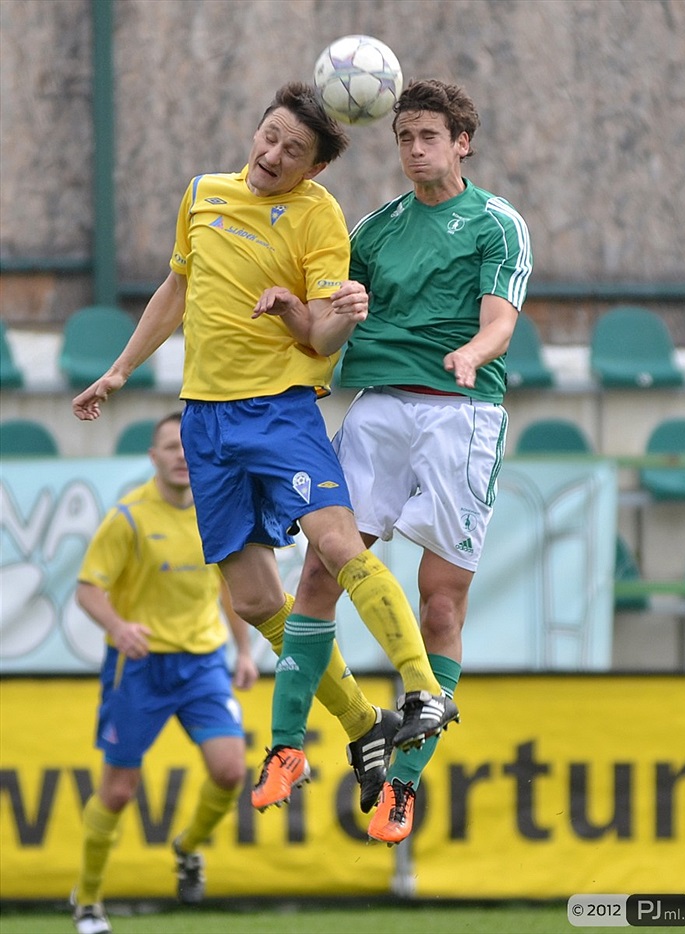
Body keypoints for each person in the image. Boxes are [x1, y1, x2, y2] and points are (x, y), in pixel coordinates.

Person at [71, 82, 458, 822]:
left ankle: (420, 688)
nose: (272, 155)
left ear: (313, 169)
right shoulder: (203, 195)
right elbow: (177, 286)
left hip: (280, 414)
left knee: (339, 545)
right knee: (253, 599)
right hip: (206, 424)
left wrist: (312, 312)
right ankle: (362, 722)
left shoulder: (319, 217)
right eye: (269, 136)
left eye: (293, 151)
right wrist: (121, 368)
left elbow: (321, 339)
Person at [291, 78, 534, 845]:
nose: (415, 148)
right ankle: (316, 734)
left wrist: (471, 350)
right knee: (320, 570)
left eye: (428, 135)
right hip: (380, 406)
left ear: (462, 141)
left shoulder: (497, 223)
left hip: (462, 413)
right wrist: (314, 316)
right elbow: (333, 314)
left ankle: (404, 783)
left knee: (440, 604)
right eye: (404, 137)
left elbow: (500, 322)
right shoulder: (376, 228)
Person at [70, 412, 259, 934]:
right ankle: (87, 901)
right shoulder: (128, 517)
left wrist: (243, 652)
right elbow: (88, 588)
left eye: (186, 446)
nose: (180, 455)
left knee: (230, 771)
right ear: (153, 457)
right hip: (139, 666)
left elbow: (229, 587)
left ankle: (187, 848)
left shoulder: (215, 513)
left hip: (202, 664)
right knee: (119, 790)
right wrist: (118, 626)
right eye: (168, 447)